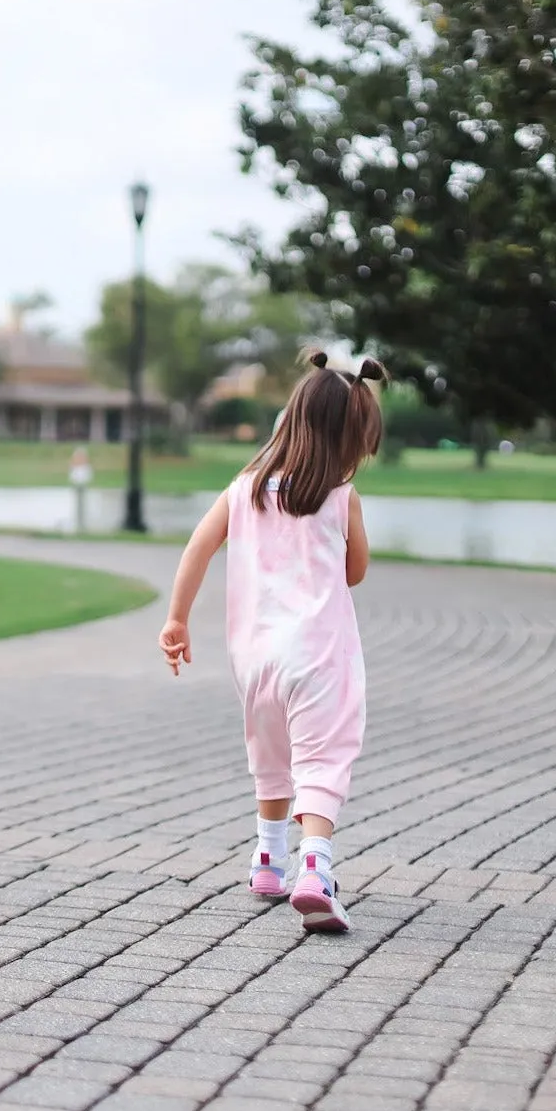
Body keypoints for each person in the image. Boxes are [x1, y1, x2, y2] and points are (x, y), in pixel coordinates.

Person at [158, 348, 385, 934]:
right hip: (319, 656)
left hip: (254, 659)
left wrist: (177, 619)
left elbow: (199, 548)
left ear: (290, 419)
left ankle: (266, 859)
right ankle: (314, 867)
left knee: (271, 754)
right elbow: (354, 572)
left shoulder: (244, 490)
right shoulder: (341, 499)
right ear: (352, 438)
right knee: (322, 757)